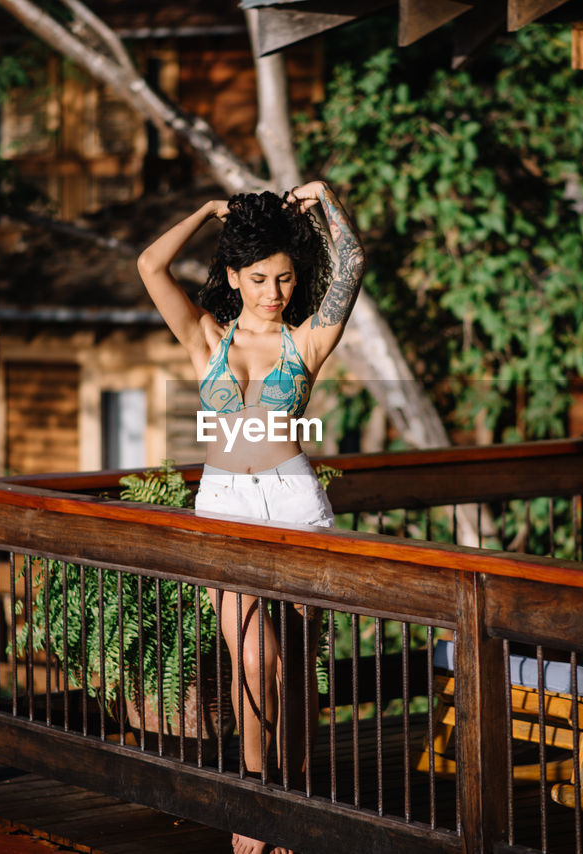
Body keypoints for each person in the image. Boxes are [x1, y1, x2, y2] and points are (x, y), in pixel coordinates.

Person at [137, 181, 364, 854]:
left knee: (293, 665)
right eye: (260, 278)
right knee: (253, 658)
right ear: (235, 276)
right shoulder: (203, 333)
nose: (274, 292)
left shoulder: (308, 342)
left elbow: (351, 263)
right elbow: (149, 265)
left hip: (295, 508)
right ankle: (256, 799)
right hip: (226, 509)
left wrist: (323, 196)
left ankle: (293, 801)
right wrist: (209, 209)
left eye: (285, 279)